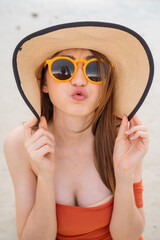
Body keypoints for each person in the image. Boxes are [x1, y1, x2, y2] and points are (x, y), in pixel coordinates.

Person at [3, 21, 154, 240]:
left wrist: (124, 174)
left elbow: (128, 236)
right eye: (62, 69)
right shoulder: (21, 143)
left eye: (95, 70)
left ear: (107, 85)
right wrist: (45, 176)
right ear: (43, 83)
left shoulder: (124, 137)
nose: (80, 80)